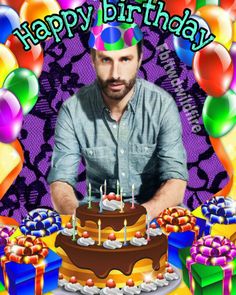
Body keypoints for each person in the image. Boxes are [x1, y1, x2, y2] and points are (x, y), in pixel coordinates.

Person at [47, 38, 188, 219]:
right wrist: (81, 218)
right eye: (106, 60)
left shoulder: (162, 105)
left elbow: (175, 181)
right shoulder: (72, 110)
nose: (115, 74)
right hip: (94, 216)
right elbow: (61, 182)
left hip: (154, 214)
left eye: (125, 59)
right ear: (93, 60)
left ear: (139, 60)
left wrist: (140, 216)